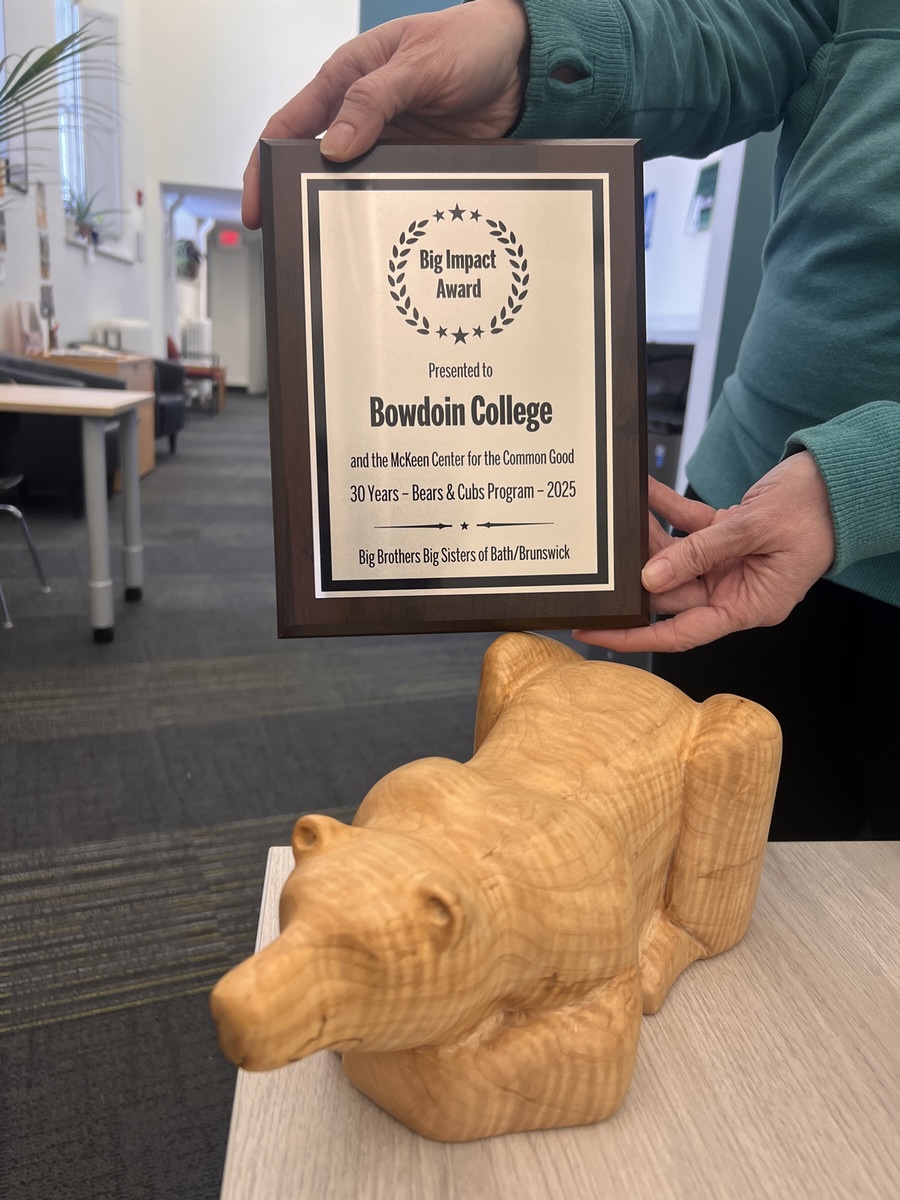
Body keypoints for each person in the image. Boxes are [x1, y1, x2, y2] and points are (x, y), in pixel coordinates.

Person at [242, 0, 899, 838]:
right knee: (705, 864)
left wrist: (868, 479)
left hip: (815, 519)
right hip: (739, 509)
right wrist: (531, 55)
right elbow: (754, 30)